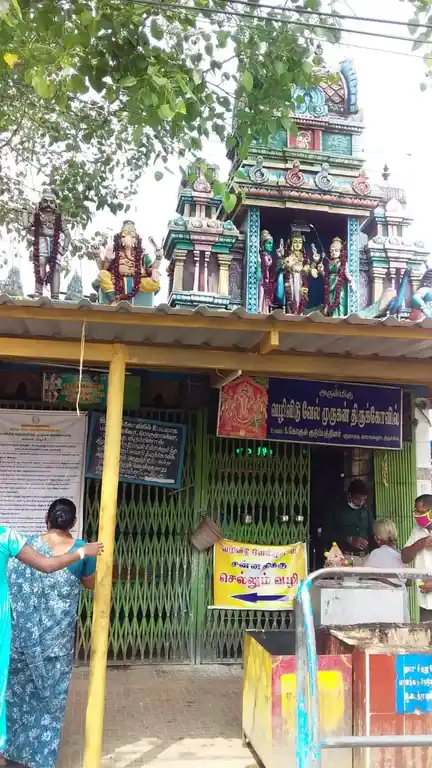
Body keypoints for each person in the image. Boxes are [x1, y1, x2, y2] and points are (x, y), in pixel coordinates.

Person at [3, 499, 102, 768]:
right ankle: (41, 758)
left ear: (46, 520)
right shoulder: (84, 550)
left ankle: (13, 754)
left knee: (18, 697)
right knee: (49, 702)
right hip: (56, 646)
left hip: (21, 642)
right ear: (73, 523)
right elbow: (91, 586)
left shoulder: (25, 547)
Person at [363, 518, 409, 622]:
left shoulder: (376, 554)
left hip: (383, 607)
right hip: (401, 605)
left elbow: (363, 575)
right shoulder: (402, 554)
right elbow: (408, 580)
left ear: (378, 538)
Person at [325, 479, 374, 565]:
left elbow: (371, 531)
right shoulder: (337, 509)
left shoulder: (366, 510)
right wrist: (348, 539)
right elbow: (327, 533)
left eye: (363, 499)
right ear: (349, 495)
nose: (361, 502)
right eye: (358, 499)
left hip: (365, 558)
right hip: (345, 557)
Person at [401, 494, 432, 623]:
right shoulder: (416, 531)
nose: (417, 516)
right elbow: (404, 557)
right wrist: (420, 544)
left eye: (421, 512)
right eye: (415, 511)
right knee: (427, 638)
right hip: (425, 601)